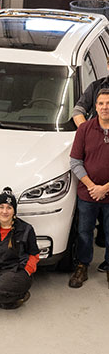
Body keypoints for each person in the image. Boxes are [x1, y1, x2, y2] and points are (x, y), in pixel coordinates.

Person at [68, 88, 109, 288]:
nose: (105, 107)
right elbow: (75, 162)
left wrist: (105, 188)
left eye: (108, 103)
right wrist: (93, 187)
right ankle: (82, 266)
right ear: (95, 106)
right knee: (84, 232)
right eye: (101, 103)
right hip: (87, 194)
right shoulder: (84, 129)